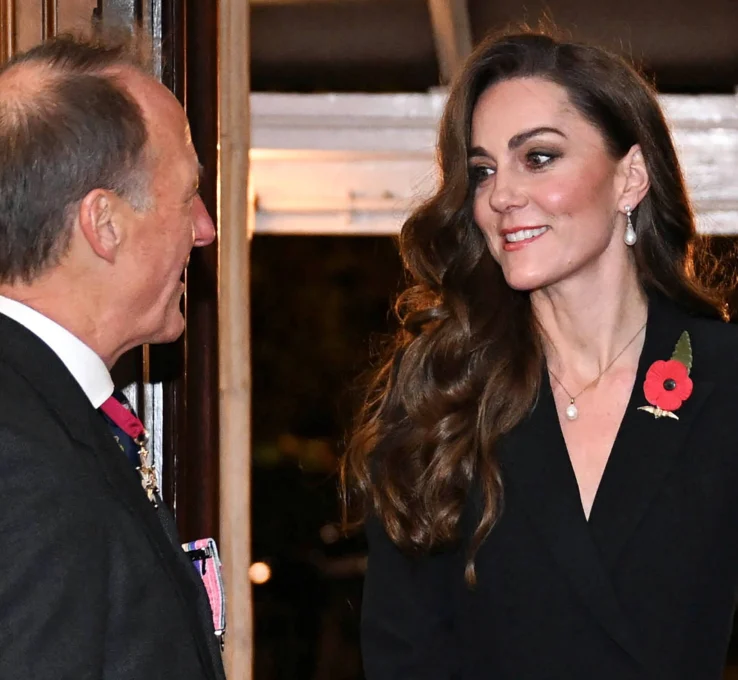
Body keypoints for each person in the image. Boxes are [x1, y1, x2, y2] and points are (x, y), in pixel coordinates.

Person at [342, 30, 738, 680]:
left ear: (630, 178)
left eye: (539, 158)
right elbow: (402, 654)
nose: (501, 195)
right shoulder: (442, 390)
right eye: (484, 170)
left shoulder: (723, 376)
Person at [0, 30, 225, 680]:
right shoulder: (24, 462)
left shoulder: (53, 413)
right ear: (105, 224)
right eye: (187, 195)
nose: (204, 228)